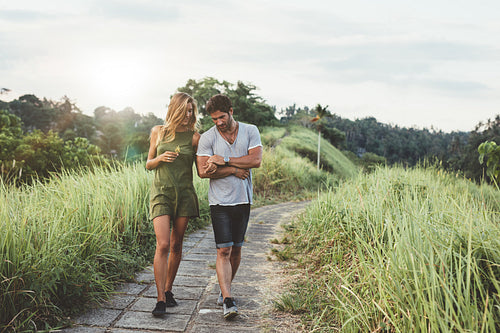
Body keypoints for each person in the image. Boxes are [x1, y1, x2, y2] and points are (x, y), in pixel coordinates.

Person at [196, 94, 262, 319]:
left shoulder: (250, 130)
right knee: (223, 249)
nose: (218, 123)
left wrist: (223, 160)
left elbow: (255, 161)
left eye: (222, 117)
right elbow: (203, 171)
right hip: (219, 201)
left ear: (231, 111)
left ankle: (226, 289)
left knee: (236, 249)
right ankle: (227, 300)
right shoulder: (207, 137)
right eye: (214, 119)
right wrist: (234, 169)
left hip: (243, 199)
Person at [146, 92, 200, 317]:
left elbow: (202, 170)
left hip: (184, 195)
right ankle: (160, 299)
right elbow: (148, 164)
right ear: (175, 109)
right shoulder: (158, 132)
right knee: (163, 244)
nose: (189, 115)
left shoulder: (195, 137)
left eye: (191, 111)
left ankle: (168, 290)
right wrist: (160, 159)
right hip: (161, 193)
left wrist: (226, 166)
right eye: (185, 110)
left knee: (177, 245)